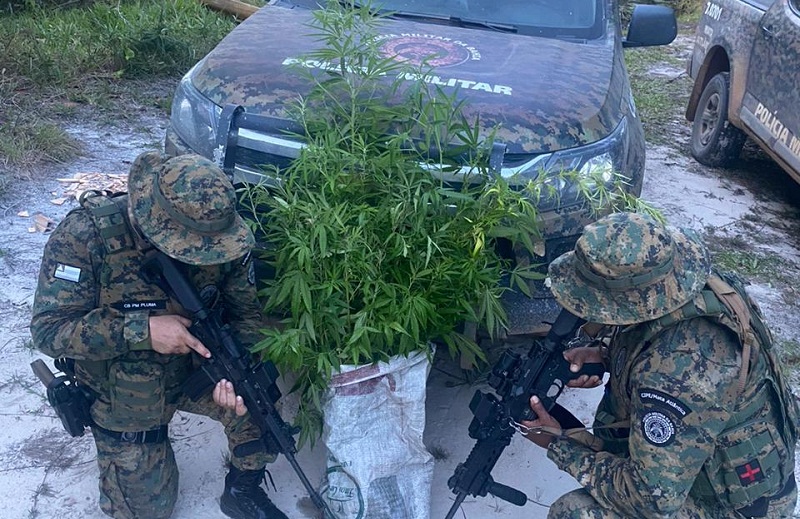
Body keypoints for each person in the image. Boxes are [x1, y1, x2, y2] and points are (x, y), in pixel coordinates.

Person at [30, 151, 290, 519]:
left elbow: (246, 314)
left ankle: (241, 490)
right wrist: (143, 330)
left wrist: (234, 372)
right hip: (126, 390)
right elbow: (49, 329)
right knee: (148, 512)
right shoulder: (86, 236)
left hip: (197, 368)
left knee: (258, 402)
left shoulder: (214, 230)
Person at [522, 211, 799, 518]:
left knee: (574, 512)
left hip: (736, 509)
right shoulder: (686, 284)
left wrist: (558, 445)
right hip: (711, 460)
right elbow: (646, 327)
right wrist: (604, 354)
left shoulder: (679, 370)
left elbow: (652, 500)